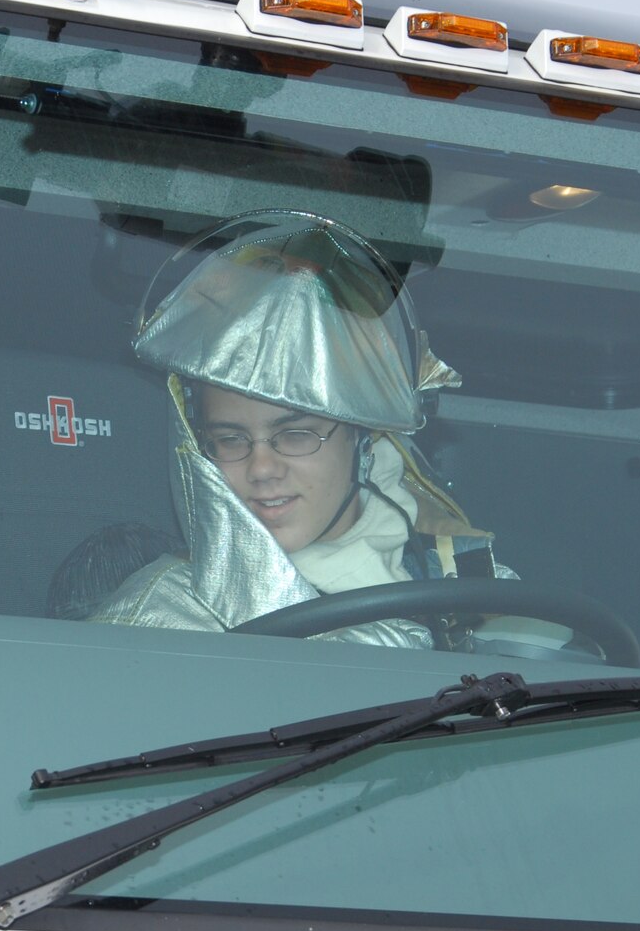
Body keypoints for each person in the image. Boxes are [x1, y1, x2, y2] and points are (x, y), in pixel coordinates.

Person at [89, 211, 509, 648]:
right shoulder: (160, 621)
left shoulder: (467, 586)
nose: (262, 468)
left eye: (295, 435)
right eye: (230, 439)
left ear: (363, 439)